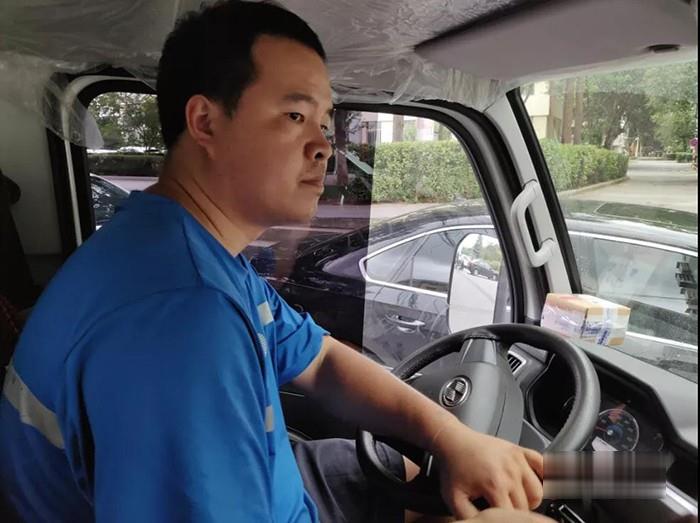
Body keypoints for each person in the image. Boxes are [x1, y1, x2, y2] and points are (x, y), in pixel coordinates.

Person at [0, 2, 553, 522]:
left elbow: (321, 361)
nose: (324, 146)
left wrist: (451, 437)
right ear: (205, 122)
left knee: (412, 475)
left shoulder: (185, 247)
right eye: (294, 115)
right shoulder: (183, 320)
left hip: (275, 480)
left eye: (325, 123)